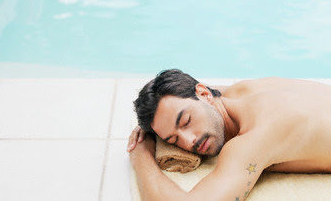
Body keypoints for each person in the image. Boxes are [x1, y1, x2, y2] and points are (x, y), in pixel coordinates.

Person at [127, 69, 331, 201]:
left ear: (204, 94)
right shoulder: (240, 90)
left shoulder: (254, 138)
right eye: (173, 140)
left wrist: (140, 154)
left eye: (186, 121)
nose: (190, 141)